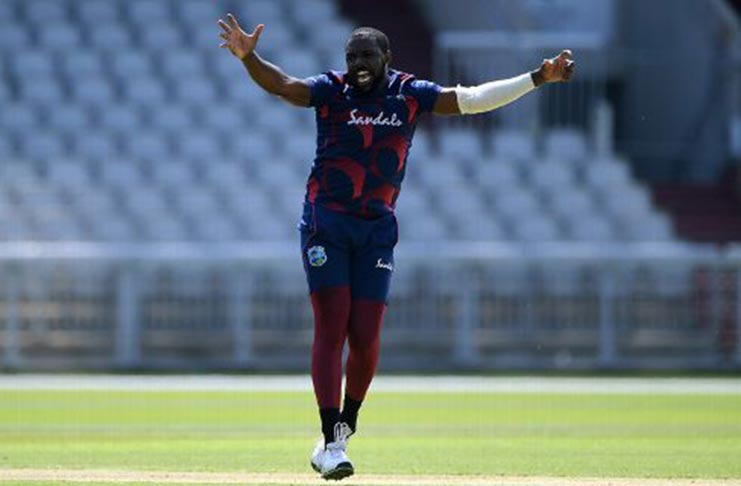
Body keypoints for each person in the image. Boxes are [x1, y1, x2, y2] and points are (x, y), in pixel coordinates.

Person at [218, 12, 574, 481]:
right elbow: (284, 85)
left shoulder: (409, 93)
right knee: (332, 327)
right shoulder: (331, 90)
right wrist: (250, 59)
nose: (358, 65)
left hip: (376, 230)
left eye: (367, 56)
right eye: (352, 57)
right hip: (325, 223)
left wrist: (536, 78)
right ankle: (329, 441)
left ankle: (346, 426)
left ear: (387, 57)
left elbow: (470, 101)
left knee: (365, 337)